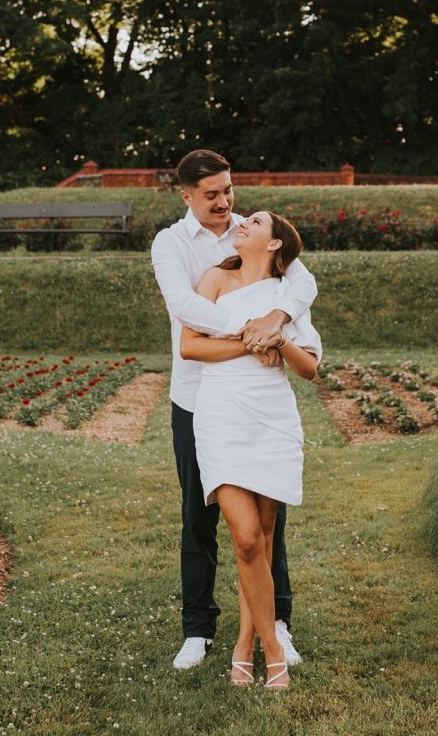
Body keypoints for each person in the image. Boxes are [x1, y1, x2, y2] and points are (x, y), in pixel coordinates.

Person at [150, 150, 317, 672]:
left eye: (228, 190)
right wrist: (252, 333)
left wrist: (279, 313)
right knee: (198, 518)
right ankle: (198, 630)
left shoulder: (252, 229)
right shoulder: (171, 243)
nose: (225, 204)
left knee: (269, 522)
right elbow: (185, 308)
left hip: (258, 398)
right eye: (212, 195)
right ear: (186, 195)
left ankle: (277, 624)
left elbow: (303, 282)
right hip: (198, 397)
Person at [181, 211, 319, 690]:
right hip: (220, 412)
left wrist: (279, 340)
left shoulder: (288, 295)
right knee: (244, 537)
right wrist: (248, 339)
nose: (244, 221)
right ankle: (274, 651)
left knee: (261, 537)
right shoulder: (216, 278)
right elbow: (190, 347)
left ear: (276, 242)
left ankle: (244, 645)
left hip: (272, 417)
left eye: (256, 221)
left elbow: (310, 369)